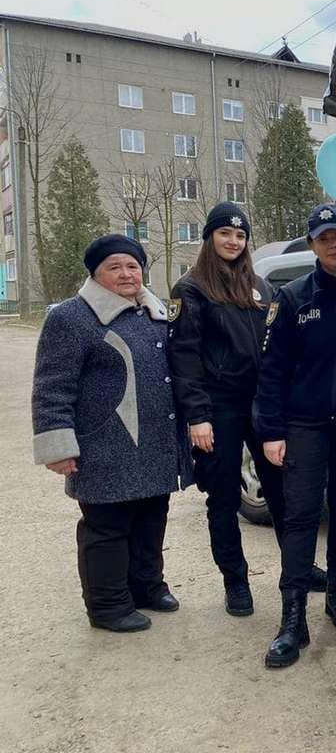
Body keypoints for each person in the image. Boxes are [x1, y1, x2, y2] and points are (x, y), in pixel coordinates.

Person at [31, 234, 189, 632]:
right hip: (104, 445)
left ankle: (147, 586)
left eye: (132, 266)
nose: (126, 274)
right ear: (96, 274)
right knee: (107, 527)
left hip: (154, 441)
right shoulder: (71, 317)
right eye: (114, 267)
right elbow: (53, 386)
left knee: (152, 518)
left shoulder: (155, 313)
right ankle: (107, 606)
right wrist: (57, 445)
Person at [253, 203, 336, 668]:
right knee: (301, 518)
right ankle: (292, 618)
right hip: (303, 426)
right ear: (312, 245)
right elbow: (273, 371)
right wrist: (271, 430)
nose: (334, 243)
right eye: (324, 237)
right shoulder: (294, 298)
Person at [168, 201, 301, 617]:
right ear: (210, 238)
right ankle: (236, 582)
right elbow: (184, 357)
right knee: (223, 498)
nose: (233, 241)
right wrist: (198, 416)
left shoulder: (260, 285)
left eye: (240, 235)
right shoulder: (191, 288)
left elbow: (280, 344)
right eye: (225, 233)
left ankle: (297, 567)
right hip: (218, 406)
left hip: (261, 404)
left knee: (282, 493)